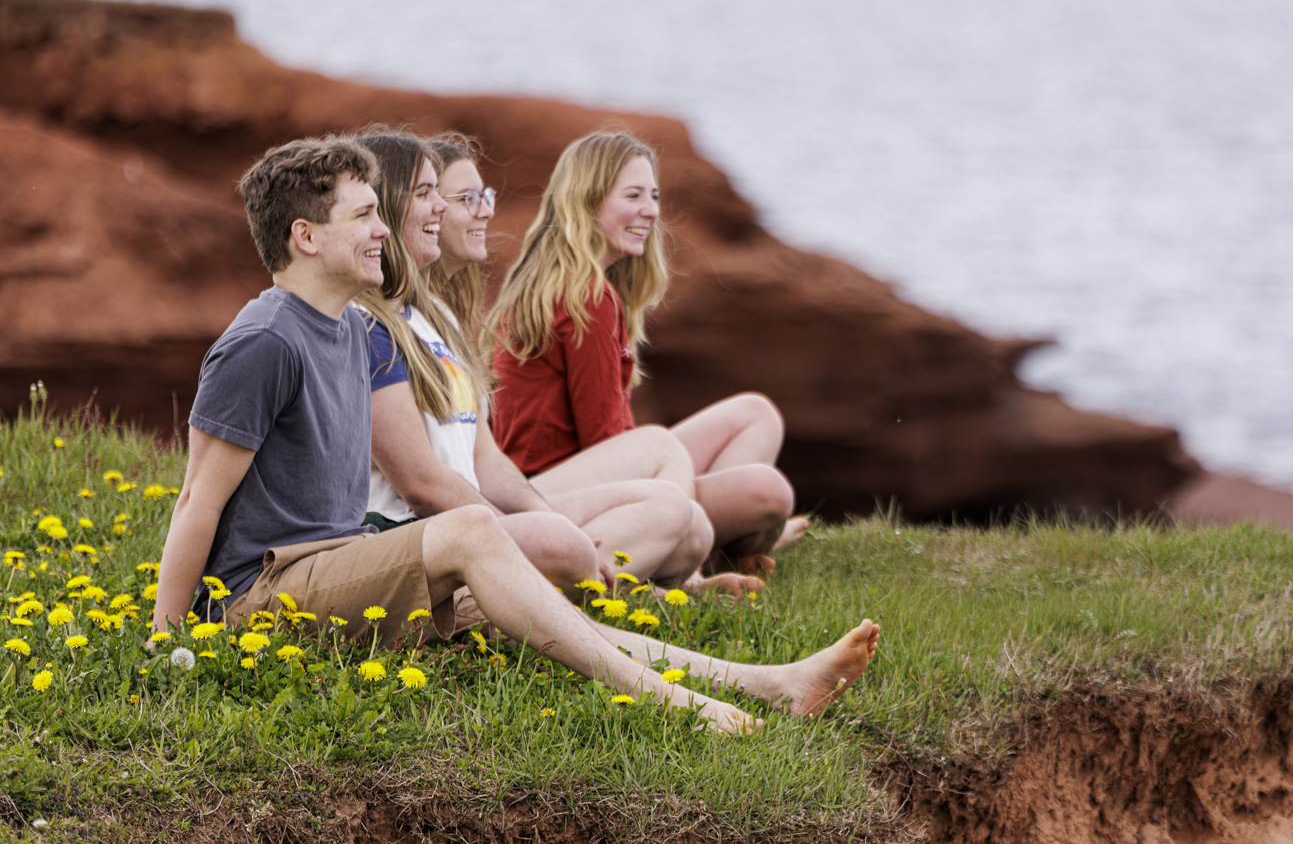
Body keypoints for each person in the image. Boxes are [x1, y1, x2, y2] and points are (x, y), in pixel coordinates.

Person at [152, 135, 880, 733]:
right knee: (473, 531)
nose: (384, 230)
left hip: (342, 566)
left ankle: (765, 683)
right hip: (262, 595)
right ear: (306, 236)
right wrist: (169, 641)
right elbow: (197, 502)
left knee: (514, 601)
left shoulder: (353, 329)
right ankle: (691, 712)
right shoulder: (264, 343)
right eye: (366, 215)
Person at [354, 131, 707, 585]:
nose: (447, 208)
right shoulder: (366, 325)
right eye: (429, 194)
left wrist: (545, 517)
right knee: (660, 473)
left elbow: (485, 455)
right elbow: (421, 485)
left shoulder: (435, 316)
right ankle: (583, 592)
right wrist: (521, 532)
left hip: (485, 508)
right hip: (427, 535)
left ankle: (579, 585)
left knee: (676, 510)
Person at [487, 131, 808, 571]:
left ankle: (714, 539)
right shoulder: (586, 296)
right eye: (633, 195)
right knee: (764, 492)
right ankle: (693, 558)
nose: (651, 211)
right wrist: (671, 480)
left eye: (653, 196)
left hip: (579, 477)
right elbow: (605, 440)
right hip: (549, 493)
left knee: (755, 414)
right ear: (588, 200)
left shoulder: (572, 284)